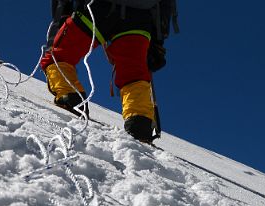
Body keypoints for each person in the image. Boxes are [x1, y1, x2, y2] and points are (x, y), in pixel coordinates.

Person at [39, 1, 178, 143]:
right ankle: (139, 120)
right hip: (139, 17)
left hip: (98, 8)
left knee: (60, 55)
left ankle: (69, 95)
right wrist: (158, 41)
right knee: (134, 72)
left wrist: (63, 16)